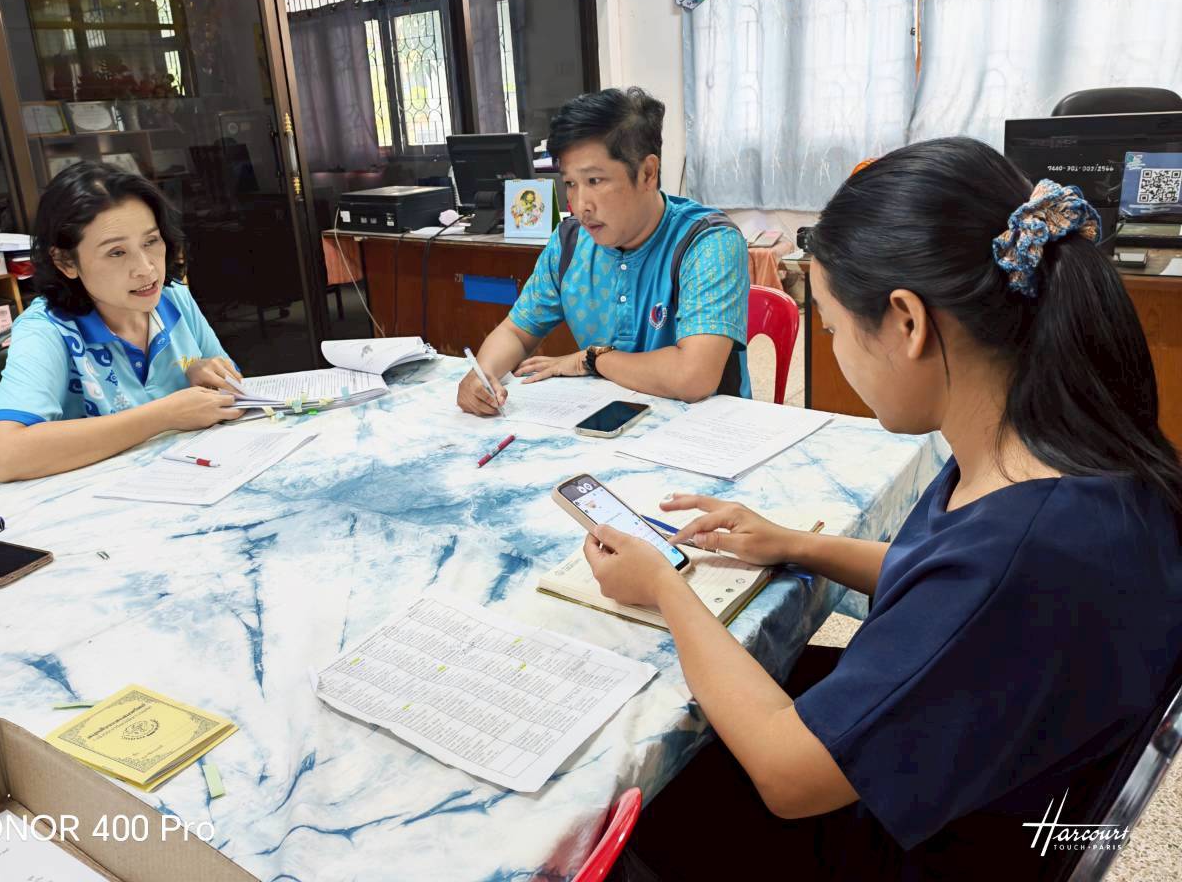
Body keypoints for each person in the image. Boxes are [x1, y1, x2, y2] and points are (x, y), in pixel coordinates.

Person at [580, 138, 1182, 880]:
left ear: (906, 322)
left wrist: (665, 587)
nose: (833, 348)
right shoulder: (1045, 451)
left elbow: (787, 774)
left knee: (625, 787)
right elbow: (945, 580)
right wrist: (796, 544)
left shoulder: (1024, 551)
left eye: (833, 327)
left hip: (911, 847)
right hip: (968, 775)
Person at [457, 87, 751, 415]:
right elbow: (515, 331)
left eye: (595, 181)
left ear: (648, 173)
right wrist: (482, 374)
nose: (580, 205)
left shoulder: (707, 242)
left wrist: (592, 359)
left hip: (706, 429)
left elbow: (693, 378)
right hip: (608, 420)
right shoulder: (569, 242)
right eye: (570, 184)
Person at [0, 162, 243, 481]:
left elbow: (236, 393)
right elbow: (4, 456)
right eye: (116, 253)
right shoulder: (45, 330)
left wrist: (207, 374)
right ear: (66, 262)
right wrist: (163, 415)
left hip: (193, 479)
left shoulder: (173, 297)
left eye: (151, 241)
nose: (146, 269)